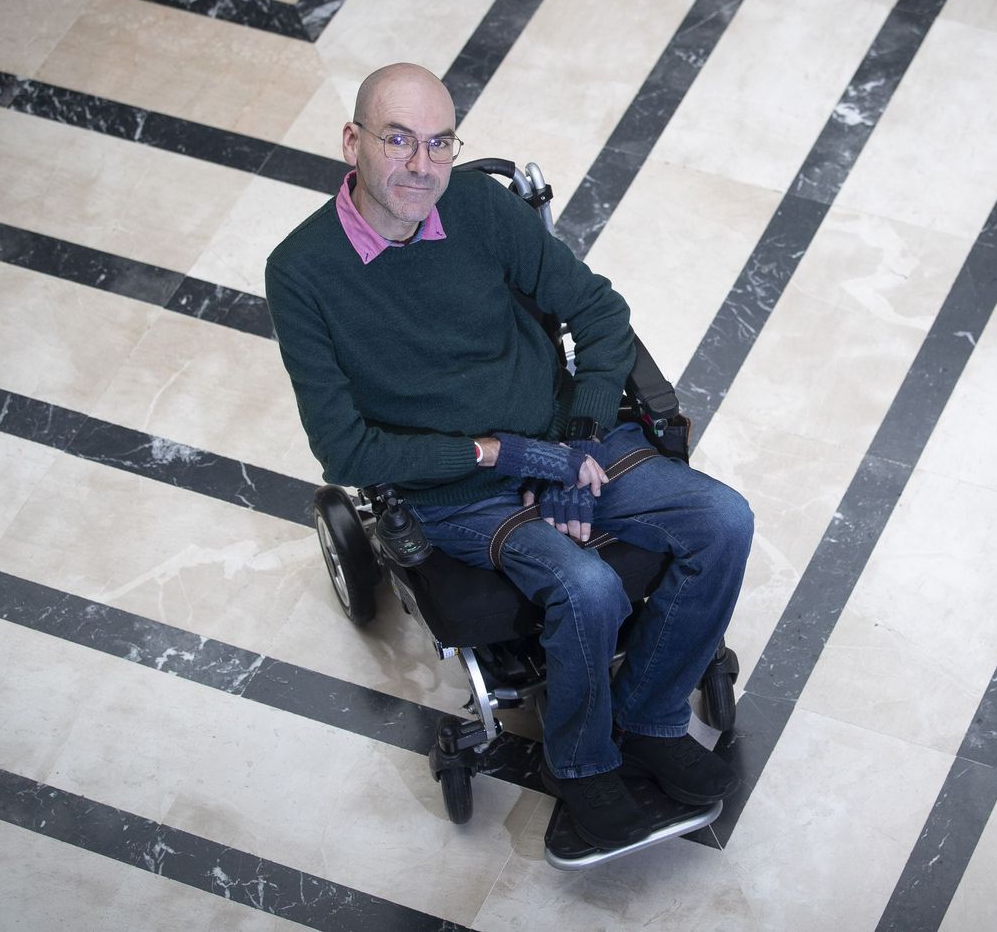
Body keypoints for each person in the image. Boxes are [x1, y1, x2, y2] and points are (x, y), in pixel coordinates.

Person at [265, 63, 753, 850]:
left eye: (440, 143)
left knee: (724, 520)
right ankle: (582, 765)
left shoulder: (478, 206)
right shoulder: (302, 272)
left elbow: (599, 313)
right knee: (587, 586)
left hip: (568, 444)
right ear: (353, 142)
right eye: (398, 139)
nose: (422, 165)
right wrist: (505, 454)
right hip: (456, 491)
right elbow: (344, 448)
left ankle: (651, 715)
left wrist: (579, 441)